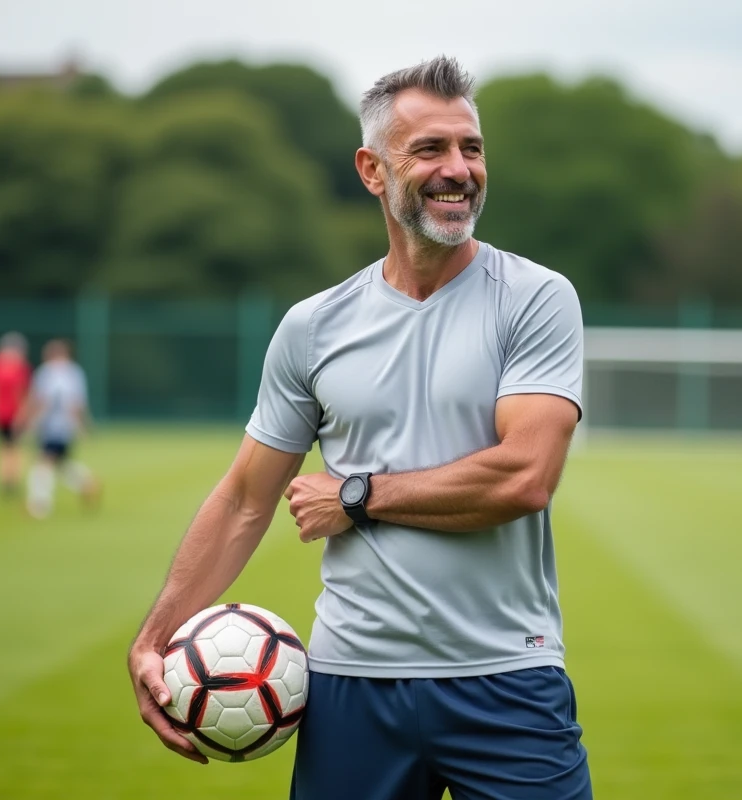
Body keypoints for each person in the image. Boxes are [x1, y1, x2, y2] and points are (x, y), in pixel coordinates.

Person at [129, 56, 591, 799]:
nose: (458, 169)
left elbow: (524, 475)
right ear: (373, 170)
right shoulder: (313, 328)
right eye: (430, 150)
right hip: (351, 688)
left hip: (506, 677)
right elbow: (247, 500)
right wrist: (154, 641)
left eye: (470, 148)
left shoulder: (534, 300)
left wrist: (357, 494)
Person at [19, 338, 100, 519]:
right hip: (65, 426)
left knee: (43, 462)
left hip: (52, 425)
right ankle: (87, 483)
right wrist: (83, 425)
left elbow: (41, 400)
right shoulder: (75, 372)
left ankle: (40, 504)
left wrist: (31, 424)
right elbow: (78, 403)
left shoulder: (46, 372)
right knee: (59, 463)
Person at [0, 331, 33, 497]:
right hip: (13, 414)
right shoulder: (20, 368)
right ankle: (12, 479)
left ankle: (6, 479)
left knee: (4, 447)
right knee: (14, 447)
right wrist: (23, 415)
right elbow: (22, 394)